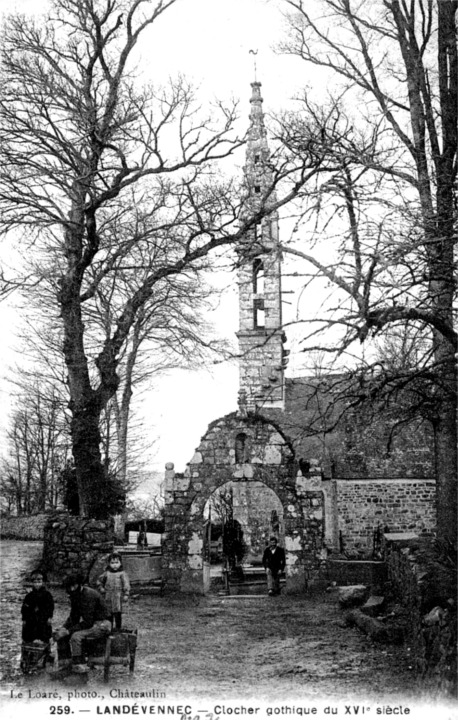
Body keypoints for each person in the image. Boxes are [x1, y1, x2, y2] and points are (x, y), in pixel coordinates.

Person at [53, 573, 111, 673]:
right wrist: (63, 628)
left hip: (102, 624)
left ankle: (79, 664)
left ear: (78, 585)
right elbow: (73, 617)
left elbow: (88, 622)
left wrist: (68, 631)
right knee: (62, 634)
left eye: (73, 586)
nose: (70, 589)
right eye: (68, 587)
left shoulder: (88, 595)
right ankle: (65, 664)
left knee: (76, 636)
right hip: (92, 623)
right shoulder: (75, 594)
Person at [96, 552, 130, 630]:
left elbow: (126, 584)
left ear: (120, 563)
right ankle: (109, 627)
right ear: (109, 563)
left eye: (117, 563)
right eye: (112, 563)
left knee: (117, 612)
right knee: (108, 612)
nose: (114, 565)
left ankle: (118, 627)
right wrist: (101, 588)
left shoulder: (122, 574)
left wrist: (126, 594)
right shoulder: (106, 573)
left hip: (118, 596)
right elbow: (99, 581)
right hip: (108, 595)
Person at [21, 571, 54, 644]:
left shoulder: (47, 595)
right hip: (31, 620)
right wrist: (24, 619)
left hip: (43, 619)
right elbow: (24, 608)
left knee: (44, 636)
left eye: (39, 582)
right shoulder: (29, 596)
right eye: (35, 582)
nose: (37, 584)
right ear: (32, 583)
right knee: (28, 635)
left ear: (42, 582)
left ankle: (46, 650)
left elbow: (51, 607)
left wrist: (49, 617)